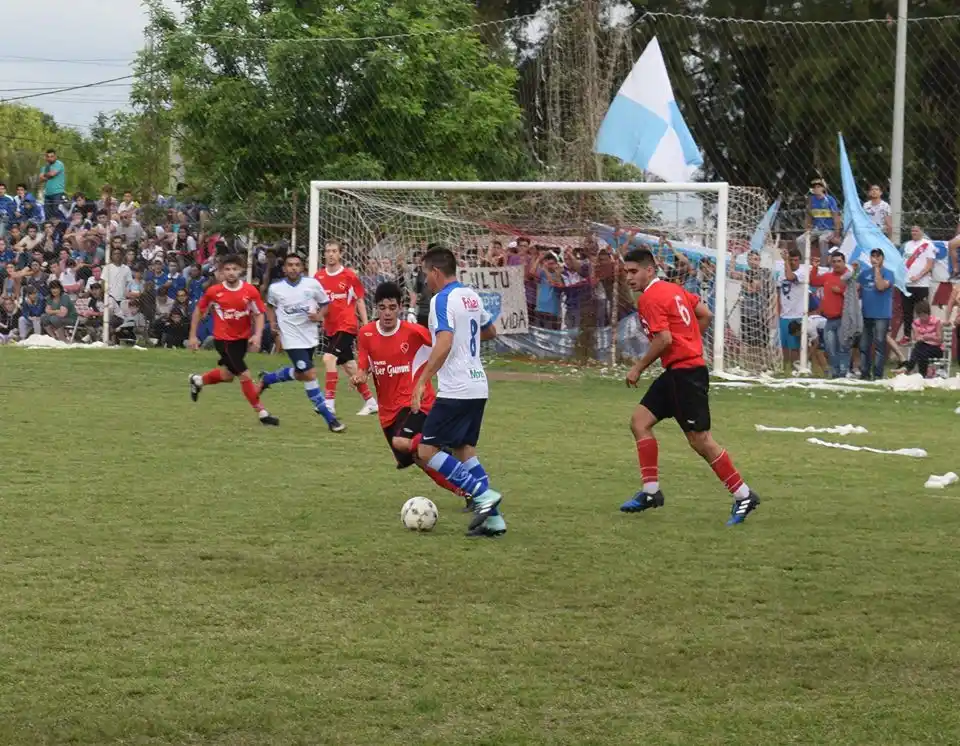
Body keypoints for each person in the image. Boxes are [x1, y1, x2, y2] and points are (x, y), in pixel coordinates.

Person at [618, 248, 760, 525]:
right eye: (626, 272)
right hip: (678, 372)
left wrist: (637, 367)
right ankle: (651, 492)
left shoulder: (649, 297)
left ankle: (743, 494)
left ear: (650, 270)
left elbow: (664, 339)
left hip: (686, 375)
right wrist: (691, 341)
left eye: (633, 271)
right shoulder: (674, 289)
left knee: (700, 440)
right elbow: (704, 314)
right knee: (639, 422)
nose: (628, 277)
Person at [352, 281, 478, 512]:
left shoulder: (414, 332)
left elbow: (444, 344)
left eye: (392, 307)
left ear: (400, 307)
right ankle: (467, 491)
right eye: (382, 307)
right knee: (421, 460)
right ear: (376, 308)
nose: (387, 313)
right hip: (388, 413)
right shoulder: (366, 333)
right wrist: (360, 375)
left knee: (408, 445)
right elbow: (363, 364)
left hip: (416, 403)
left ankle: (442, 446)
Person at [411, 246, 504, 537]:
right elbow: (490, 331)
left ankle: (481, 494)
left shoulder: (442, 299)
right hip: (478, 385)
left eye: (426, 273)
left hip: (456, 388)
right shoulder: (471, 296)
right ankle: (494, 520)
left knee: (426, 450)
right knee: (465, 451)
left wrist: (422, 379)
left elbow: (445, 342)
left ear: (436, 272)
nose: (425, 280)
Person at [187, 254, 279, 426]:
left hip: (241, 340)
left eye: (234, 269)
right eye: (227, 269)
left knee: (228, 375)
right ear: (221, 272)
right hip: (223, 340)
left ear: (241, 271)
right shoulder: (214, 292)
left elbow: (259, 314)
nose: (231, 272)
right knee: (244, 374)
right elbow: (198, 311)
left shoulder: (250, 291)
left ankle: (197, 380)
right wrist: (193, 336)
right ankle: (262, 413)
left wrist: (257, 335)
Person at [258, 253, 345, 432]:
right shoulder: (276, 288)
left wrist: (319, 316)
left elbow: (325, 304)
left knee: (303, 373)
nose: (293, 268)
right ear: (284, 268)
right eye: (290, 265)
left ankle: (268, 378)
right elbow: (269, 306)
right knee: (310, 374)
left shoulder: (312, 285)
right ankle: (330, 419)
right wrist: (273, 324)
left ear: (302, 267)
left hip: (309, 336)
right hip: (291, 338)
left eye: (297, 265)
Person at [313, 240, 378, 417]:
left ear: (340, 254)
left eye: (335, 251)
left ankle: (329, 403)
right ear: (324, 254)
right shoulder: (318, 277)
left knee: (328, 358)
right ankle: (371, 402)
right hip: (331, 328)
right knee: (349, 366)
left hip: (347, 326)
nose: (331, 254)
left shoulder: (349, 276)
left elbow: (359, 300)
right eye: (328, 251)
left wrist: (365, 325)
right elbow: (314, 300)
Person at [857, 249, 894, 380]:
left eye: (878, 256)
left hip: (881, 315)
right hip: (866, 314)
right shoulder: (864, 274)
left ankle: (878, 374)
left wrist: (877, 269)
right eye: (872, 256)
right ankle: (864, 373)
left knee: (879, 344)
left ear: (883, 258)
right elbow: (855, 289)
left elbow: (880, 287)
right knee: (864, 345)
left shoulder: (889, 274)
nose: (875, 258)